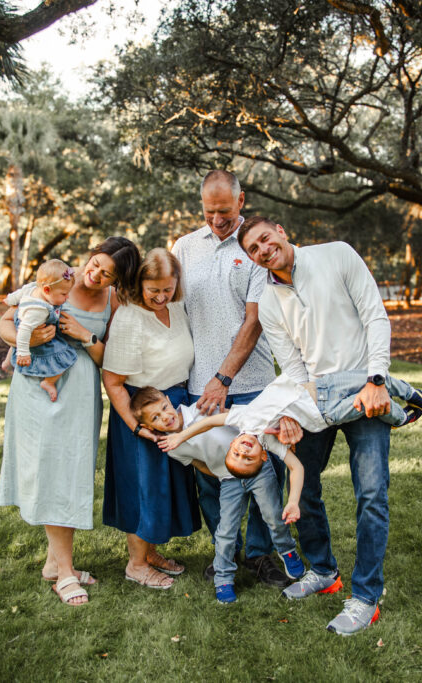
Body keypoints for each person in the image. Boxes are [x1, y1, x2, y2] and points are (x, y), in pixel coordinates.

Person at [238, 215, 399, 636]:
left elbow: (375, 316)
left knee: (371, 493)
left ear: (280, 231)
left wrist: (377, 380)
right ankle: (324, 571)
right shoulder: (268, 301)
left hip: (364, 391)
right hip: (316, 400)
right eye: (253, 249)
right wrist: (292, 412)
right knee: (302, 484)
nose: (263, 250)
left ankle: (366, 597)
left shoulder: (337, 254)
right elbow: (292, 366)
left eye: (265, 239)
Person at [0, 237, 141, 606]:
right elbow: (4, 323)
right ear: (90, 257)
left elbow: (112, 359)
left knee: (70, 473)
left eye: (107, 275)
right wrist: (27, 340)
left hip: (81, 395)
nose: (95, 276)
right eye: (95, 265)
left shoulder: (114, 301)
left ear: (117, 281)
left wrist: (84, 335)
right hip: (38, 391)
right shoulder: (56, 278)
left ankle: (53, 564)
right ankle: (64, 573)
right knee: (52, 474)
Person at [171, 170, 288, 587]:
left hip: (252, 384)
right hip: (200, 387)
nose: (217, 220)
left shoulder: (255, 247)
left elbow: (254, 321)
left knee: (266, 470)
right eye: (209, 212)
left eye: (224, 211)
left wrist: (223, 377)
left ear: (241, 201)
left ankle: (260, 554)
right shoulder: (184, 248)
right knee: (211, 476)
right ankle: (227, 553)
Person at [129, 387, 307, 604]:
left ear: (168, 400)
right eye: (155, 418)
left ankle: (287, 550)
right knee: (226, 531)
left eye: (164, 408)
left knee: (273, 515)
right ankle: (223, 577)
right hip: (228, 479)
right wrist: (221, 474)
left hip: (258, 468)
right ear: (148, 427)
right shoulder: (172, 447)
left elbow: (233, 419)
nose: (165, 417)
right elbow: (198, 464)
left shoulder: (200, 409)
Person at [101, 248, 200, 590]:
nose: (160, 297)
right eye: (153, 290)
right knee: (142, 488)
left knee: (163, 488)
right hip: (142, 411)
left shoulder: (177, 308)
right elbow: (113, 381)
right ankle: (136, 564)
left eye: (167, 289)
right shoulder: (130, 317)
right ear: (140, 283)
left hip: (173, 407)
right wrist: (137, 427)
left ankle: (151, 552)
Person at [159, 371, 422, 478]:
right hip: (325, 415)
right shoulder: (272, 444)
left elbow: (209, 422)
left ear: (232, 442)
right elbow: (296, 468)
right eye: (248, 458)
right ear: (262, 456)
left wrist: (180, 437)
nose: (243, 452)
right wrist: (293, 502)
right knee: (367, 402)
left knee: (375, 378)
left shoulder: (241, 418)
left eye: (236, 454)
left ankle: (414, 394)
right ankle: (401, 418)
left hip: (319, 387)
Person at [2, 259, 78, 401]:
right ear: (47, 290)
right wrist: (23, 353)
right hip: (32, 331)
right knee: (65, 357)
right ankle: (48, 382)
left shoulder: (32, 288)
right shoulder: (39, 310)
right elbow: (24, 331)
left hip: (23, 325)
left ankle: (8, 360)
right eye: (63, 294)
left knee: (19, 339)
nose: (67, 297)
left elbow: (18, 294)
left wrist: (9, 299)